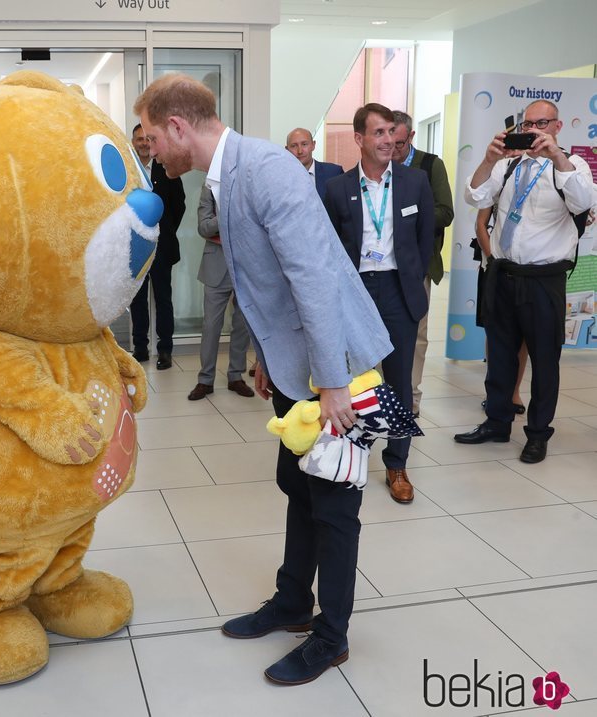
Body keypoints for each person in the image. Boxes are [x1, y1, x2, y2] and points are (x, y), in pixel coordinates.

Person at [135, 74, 391, 686]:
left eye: (148, 137)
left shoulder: (268, 169)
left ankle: (332, 638)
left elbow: (314, 280)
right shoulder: (226, 174)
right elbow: (264, 278)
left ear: (176, 127)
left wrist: (330, 382)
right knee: (296, 481)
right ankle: (293, 602)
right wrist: (270, 357)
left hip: (339, 365)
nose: (149, 150)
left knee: (332, 502)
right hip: (298, 361)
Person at [454, 100, 594, 464]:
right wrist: (488, 159)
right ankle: (497, 423)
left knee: (545, 361)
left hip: (543, 280)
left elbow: (582, 202)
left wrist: (555, 158)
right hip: (503, 273)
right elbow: (475, 195)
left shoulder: (573, 166)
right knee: (499, 356)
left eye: (541, 123)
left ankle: (537, 434)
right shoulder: (509, 164)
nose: (532, 130)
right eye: (527, 124)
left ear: (557, 127)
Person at [324, 103, 434, 504]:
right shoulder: (337, 188)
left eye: (392, 132)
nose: (389, 140)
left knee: (400, 381)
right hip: (355, 294)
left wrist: (410, 282)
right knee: (354, 381)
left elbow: (425, 241)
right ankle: (351, 457)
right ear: (359, 139)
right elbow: (330, 248)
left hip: (398, 291)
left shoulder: (415, 181)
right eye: (379, 133)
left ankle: (397, 464)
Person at [390, 111, 455, 416]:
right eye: (389, 141)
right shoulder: (379, 164)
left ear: (412, 137)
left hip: (418, 265)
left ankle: (411, 398)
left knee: (416, 333)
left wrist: (408, 213)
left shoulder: (430, 165)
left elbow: (445, 212)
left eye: (400, 143)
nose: (393, 149)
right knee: (381, 332)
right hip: (382, 265)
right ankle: (382, 395)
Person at [188, 185, 253, 400]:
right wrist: (229, 215)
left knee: (242, 325)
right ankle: (205, 380)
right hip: (216, 262)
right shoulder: (209, 187)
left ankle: (236, 376)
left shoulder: (248, 184)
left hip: (245, 263)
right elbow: (204, 228)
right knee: (211, 326)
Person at [129, 123, 186, 370]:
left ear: (153, 142)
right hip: (134, 247)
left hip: (162, 247)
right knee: (137, 299)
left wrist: (166, 229)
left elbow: (179, 205)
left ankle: (165, 349)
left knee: (164, 299)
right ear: (133, 142)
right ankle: (140, 347)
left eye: (147, 139)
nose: (143, 143)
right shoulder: (127, 171)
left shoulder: (167, 170)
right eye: (139, 139)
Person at [474, 206, 528, 414]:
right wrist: (494, 260)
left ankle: (514, 391)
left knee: (523, 331)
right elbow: (481, 222)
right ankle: (495, 391)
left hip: (527, 267)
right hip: (494, 263)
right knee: (496, 330)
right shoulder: (500, 175)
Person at [285, 127, 343, 200]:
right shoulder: (279, 177)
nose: (300, 151)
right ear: (287, 150)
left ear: (313, 145)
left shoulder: (334, 173)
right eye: (294, 146)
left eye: (304, 144)